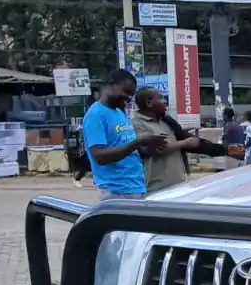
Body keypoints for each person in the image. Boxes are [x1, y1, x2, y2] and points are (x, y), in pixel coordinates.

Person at [81, 70, 165, 198]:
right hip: (116, 191)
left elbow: (125, 147)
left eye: (131, 94)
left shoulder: (120, 113)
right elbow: (100, 156)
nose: (129, 97)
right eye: (126, 91)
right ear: (111, 84)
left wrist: (147, 149)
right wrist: (139, 142)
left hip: (136, 187)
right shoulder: (95, 114)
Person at [132, 88, 227, 192]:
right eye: (160, 98)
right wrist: (186, 143)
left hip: (178, 183)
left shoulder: (166, 121)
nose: (165, 101)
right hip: (157, 187)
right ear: (149, 103)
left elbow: (185, 138)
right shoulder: (137, 123)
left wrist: (225, 149)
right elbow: (157, 148)